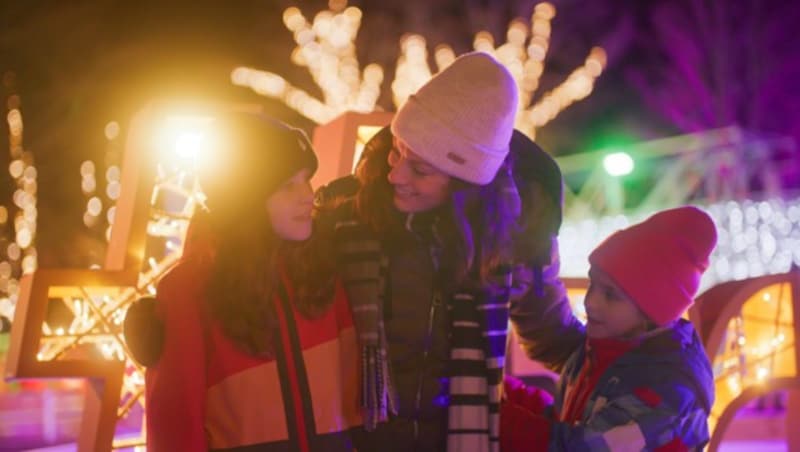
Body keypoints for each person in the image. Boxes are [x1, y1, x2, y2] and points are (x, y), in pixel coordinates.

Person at [313, 51, 564, 452]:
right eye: (396, 152)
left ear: (467, 185)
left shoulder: (512, 242)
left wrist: (648, 357)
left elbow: (555, 336)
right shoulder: (346, 220)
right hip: (352, 441)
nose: (396, 176)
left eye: (422, 170)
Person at [143, 112, 361, 451]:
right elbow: (176, 420)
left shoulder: (322, 269)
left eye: (307, 179)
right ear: (244, 200)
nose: (307, 195)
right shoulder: (191, 289)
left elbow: (355, 394)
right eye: (288, 185)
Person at [501, 206, 717, 451]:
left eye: (610, 295)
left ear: (652, 311)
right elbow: (564, 421)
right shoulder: (599, 351)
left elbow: (578, 447)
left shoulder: (665, 393)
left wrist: (500, 418)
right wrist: (503, 392)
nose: (590, 302)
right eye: (592, 284)